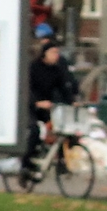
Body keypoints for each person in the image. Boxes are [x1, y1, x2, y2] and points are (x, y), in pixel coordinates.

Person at [25, 38, 76, 167]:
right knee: (35, 130)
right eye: (53, 52)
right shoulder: (33, 68)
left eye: (57, 53)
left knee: (61, 128)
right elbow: (26, 88)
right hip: (32, 107)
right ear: (44, 53)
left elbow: (64, 87)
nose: (56, 56)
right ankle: (27, 161)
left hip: (48, 107)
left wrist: (71, 101)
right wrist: (36, 103)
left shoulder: (56, 70)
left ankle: (62, 161)